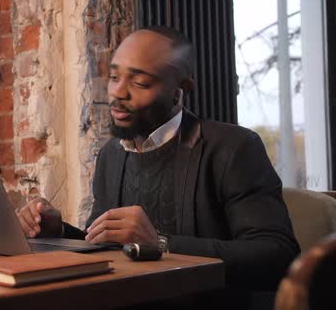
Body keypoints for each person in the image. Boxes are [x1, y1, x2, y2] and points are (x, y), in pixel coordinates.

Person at [16, 26, 299, 308]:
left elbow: (277, 256)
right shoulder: (111, 155)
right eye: (114, 77)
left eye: (139, 83)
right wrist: (58, 232)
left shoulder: (233, 148)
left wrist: (161, 243)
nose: (119, 93)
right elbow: (106, 244)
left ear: (179, 93)